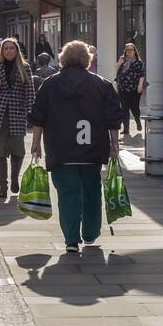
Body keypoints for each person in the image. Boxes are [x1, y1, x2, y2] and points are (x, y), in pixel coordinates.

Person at [28, 41, 122, 253]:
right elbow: (113, 117)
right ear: (87, 59)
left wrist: (35, 144)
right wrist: (114, 143)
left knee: (67, 193)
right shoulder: (102, 84)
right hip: (93, 148)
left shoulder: (50, 84)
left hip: (61, 149)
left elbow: (38, 116)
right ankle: (90, 232)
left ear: (63, 58)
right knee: (91, 190)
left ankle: (71, 239)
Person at [0, 37, 35, 200]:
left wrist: (31, 113)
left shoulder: (24, 67)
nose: (9, 51)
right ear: (2, 51)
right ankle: (2, 186)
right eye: (6, 49)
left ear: (17, 50)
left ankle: (14, 178)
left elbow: (30, 92)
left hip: (17, 114)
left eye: (12, 48)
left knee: (18, 151)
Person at [114, 43, 146, 137]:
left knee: (134, 108)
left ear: (134, 51)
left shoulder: (138, 62)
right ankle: (126, 129)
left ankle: (137, 120)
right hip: (123, 88)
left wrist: (140, 86)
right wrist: (119, 63)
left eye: (131, 50)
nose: (129, 51)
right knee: (124, 108)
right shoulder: (122, 61)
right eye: (127, 50)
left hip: (134, 89)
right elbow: (114, 72)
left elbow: (141, 75)